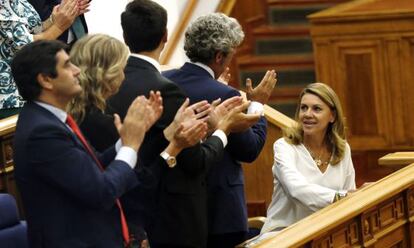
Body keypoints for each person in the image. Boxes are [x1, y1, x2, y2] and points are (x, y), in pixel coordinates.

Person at [108, 1, 261, 247]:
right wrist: (253, 107)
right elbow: (247, 149)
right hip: (203, 212)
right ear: (165, 36)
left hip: (130, 206)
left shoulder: (125, 81)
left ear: (125, 36)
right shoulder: (168, 89)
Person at [11, 39, 163, 247]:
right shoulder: (42, 132)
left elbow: (95, 163)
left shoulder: (47, 119)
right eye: (67, 65)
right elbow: (102, 192)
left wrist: (126, 139)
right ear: (46, 80)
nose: (76, 71)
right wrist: (131, 146)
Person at [67, 33, 211, 247]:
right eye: (122, 68)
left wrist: (167, 133)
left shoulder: (82, 113)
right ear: (109, 74)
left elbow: (135, 159)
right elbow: (139, 184)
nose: (125, 77)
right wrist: (174, 147)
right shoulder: (101, 122)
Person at [163, 13, 277, 247]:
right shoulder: (225, 95)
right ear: (219, 56)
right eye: (232, 52)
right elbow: (249, 149)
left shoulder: (163, 81)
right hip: (220, 213)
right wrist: (258, 103)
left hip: (174, 211)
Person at [260, 82, 356, 234]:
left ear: (332, 116)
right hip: (283, 234)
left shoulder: (342, 150)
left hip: (325, 233)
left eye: (316, 109)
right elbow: (296, 190)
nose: (307, 114)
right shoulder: (285, 146)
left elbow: (351, 195)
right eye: (304, 108)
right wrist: (341, 196)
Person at [0, 0, 87, 117]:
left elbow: (32, 29)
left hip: (31, 88)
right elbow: (26, 47)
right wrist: (59, 26)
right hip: (11, 98)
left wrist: (56, 18)